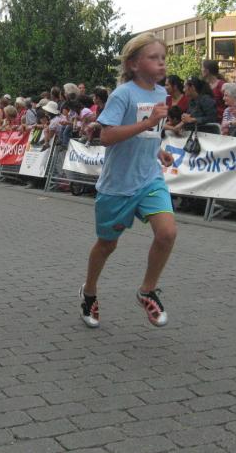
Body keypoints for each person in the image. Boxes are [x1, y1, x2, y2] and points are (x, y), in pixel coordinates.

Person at [80, 33, 176, 329]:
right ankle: (89, 291)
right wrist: (147, 123)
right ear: (134, 64)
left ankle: (147, 290)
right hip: (118, 185)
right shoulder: (123, 94)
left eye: (163, 58)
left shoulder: (161, 93)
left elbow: (149, 133)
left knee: (167, 233)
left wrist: (158, 150)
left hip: (149, 178)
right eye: (153, 58)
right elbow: (107, 137)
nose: (161, 63)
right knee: (107, 245)